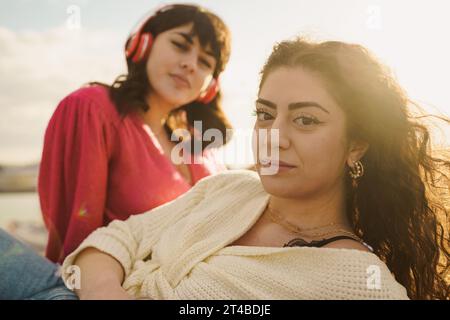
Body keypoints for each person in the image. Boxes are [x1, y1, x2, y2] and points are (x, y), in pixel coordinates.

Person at [2, 38, 448, 300]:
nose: (275, 135)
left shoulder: (361, 286)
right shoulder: (232, 189)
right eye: (265, 113)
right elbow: (116, 236)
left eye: (306, 119)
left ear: (356, 146)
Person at [38, 4, 232, 263]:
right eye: (180, 45)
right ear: (143, 44)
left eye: (205, 62)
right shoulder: (92, 108)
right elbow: (76, 238)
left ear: (211, 86)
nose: (190, 65)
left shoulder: (199, 146)